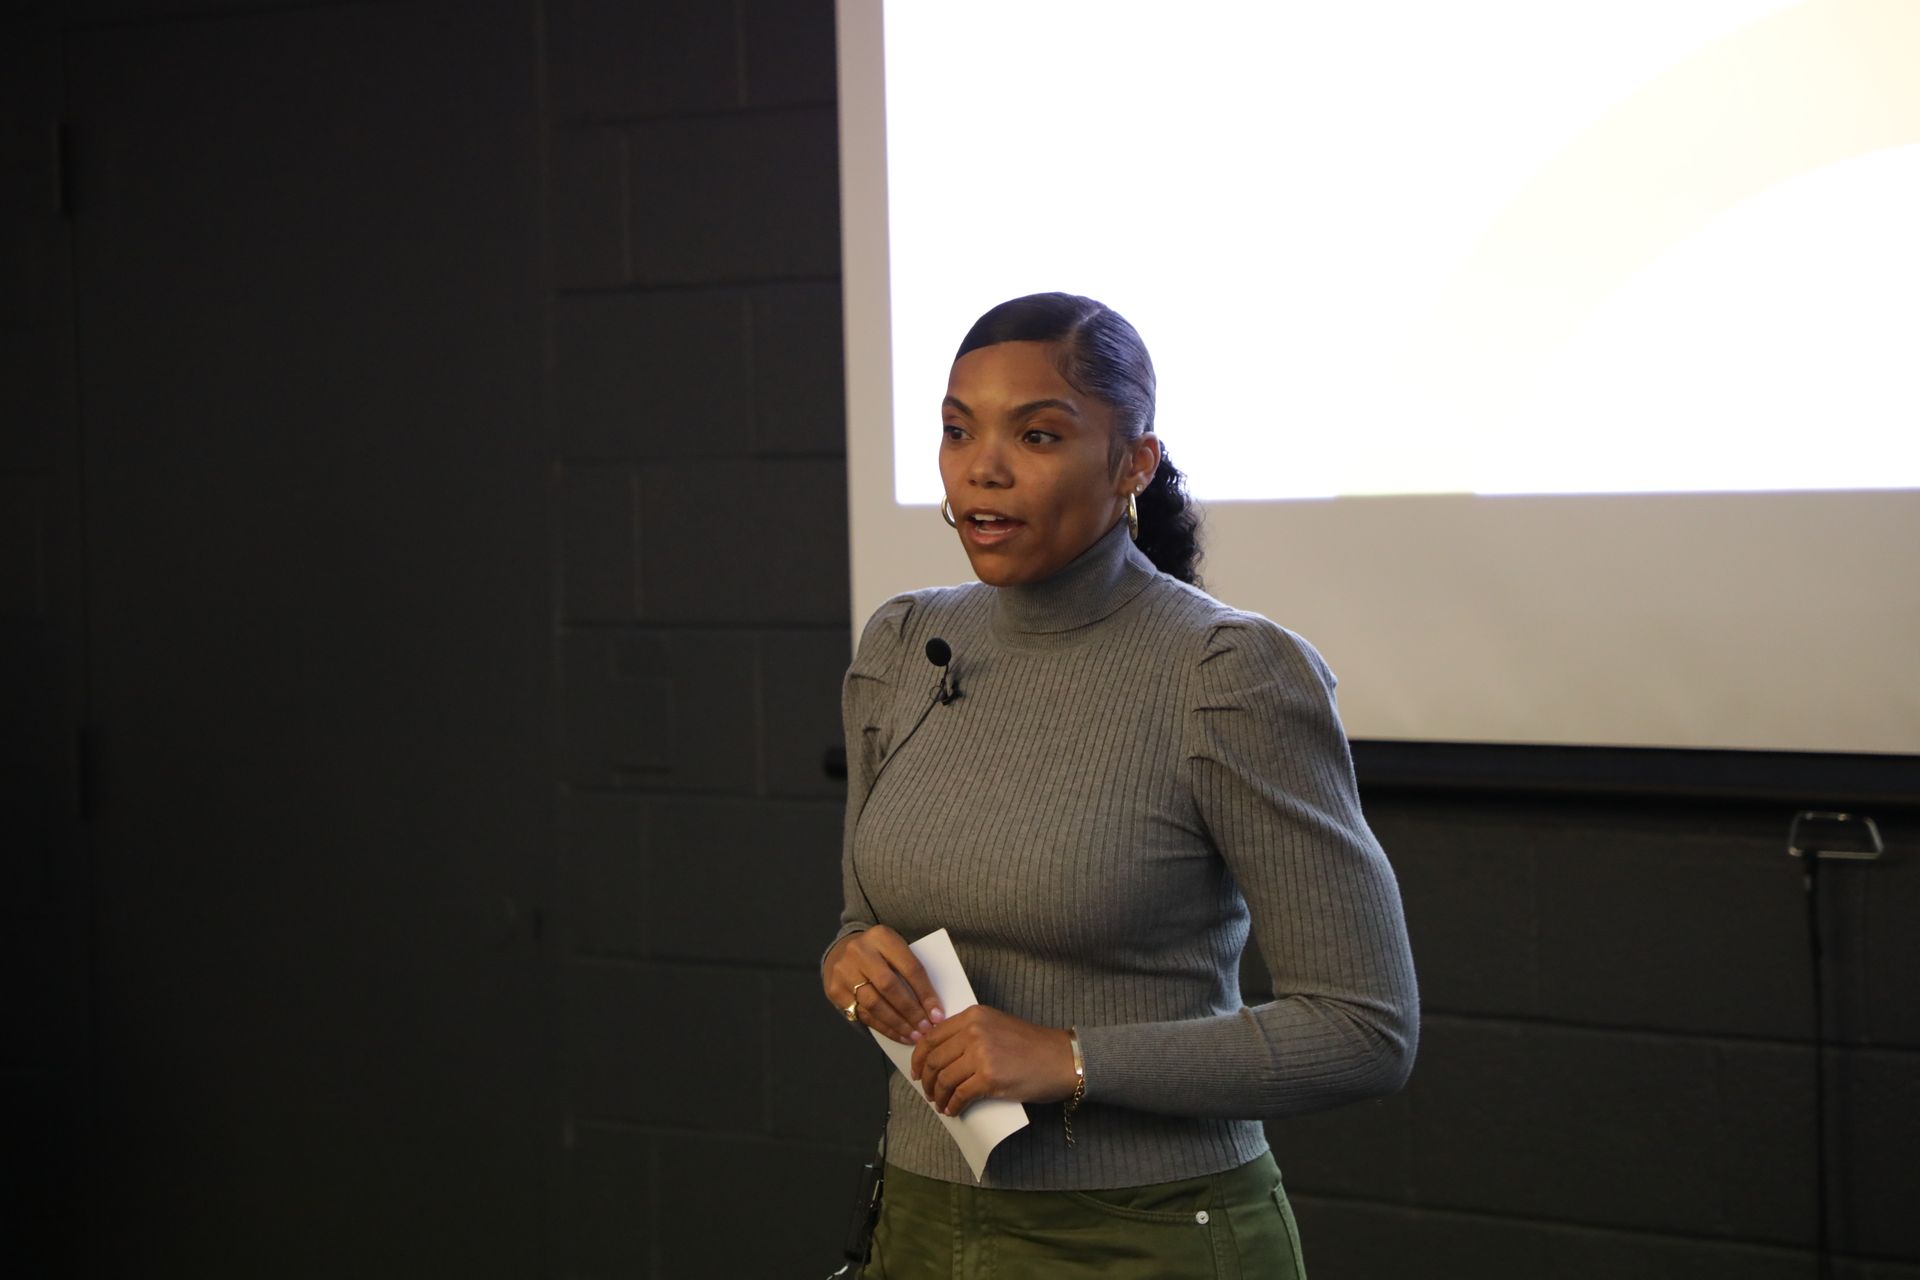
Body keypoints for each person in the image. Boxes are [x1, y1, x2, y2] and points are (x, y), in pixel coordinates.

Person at [820, 292, 1417, 1277]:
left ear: (1132, 462)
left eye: (1039, 432)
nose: (984, 466)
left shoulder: (1228, 673)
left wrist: (1073, 1056)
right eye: (957, 429)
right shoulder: (901, 647)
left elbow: (1367, 1030)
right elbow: (859, 920)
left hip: (1147, 1234)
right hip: (921, 1225)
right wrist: (851, 964)